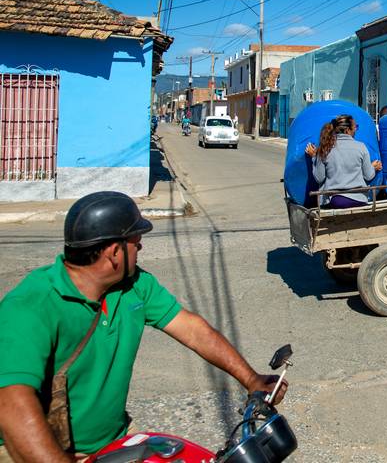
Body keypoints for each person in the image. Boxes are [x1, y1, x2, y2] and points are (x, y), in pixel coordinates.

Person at [0, 192, 286, 461]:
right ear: (114, 252)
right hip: (38, 452)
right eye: (135, 242)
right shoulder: (31, 304)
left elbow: (193, 330)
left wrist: (251, 379)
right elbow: (12, 404)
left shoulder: (135, 285)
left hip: (113, 447)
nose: (141, 247)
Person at [305, 114, 382, 209]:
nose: (356, 130)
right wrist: (373, 167)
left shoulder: (325, 148)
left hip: (337, 201)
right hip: (360, 200)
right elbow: (369, 175)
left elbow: (319, 178)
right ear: (347, 130)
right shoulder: (361, 147)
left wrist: (314, 157)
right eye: (355, 127)